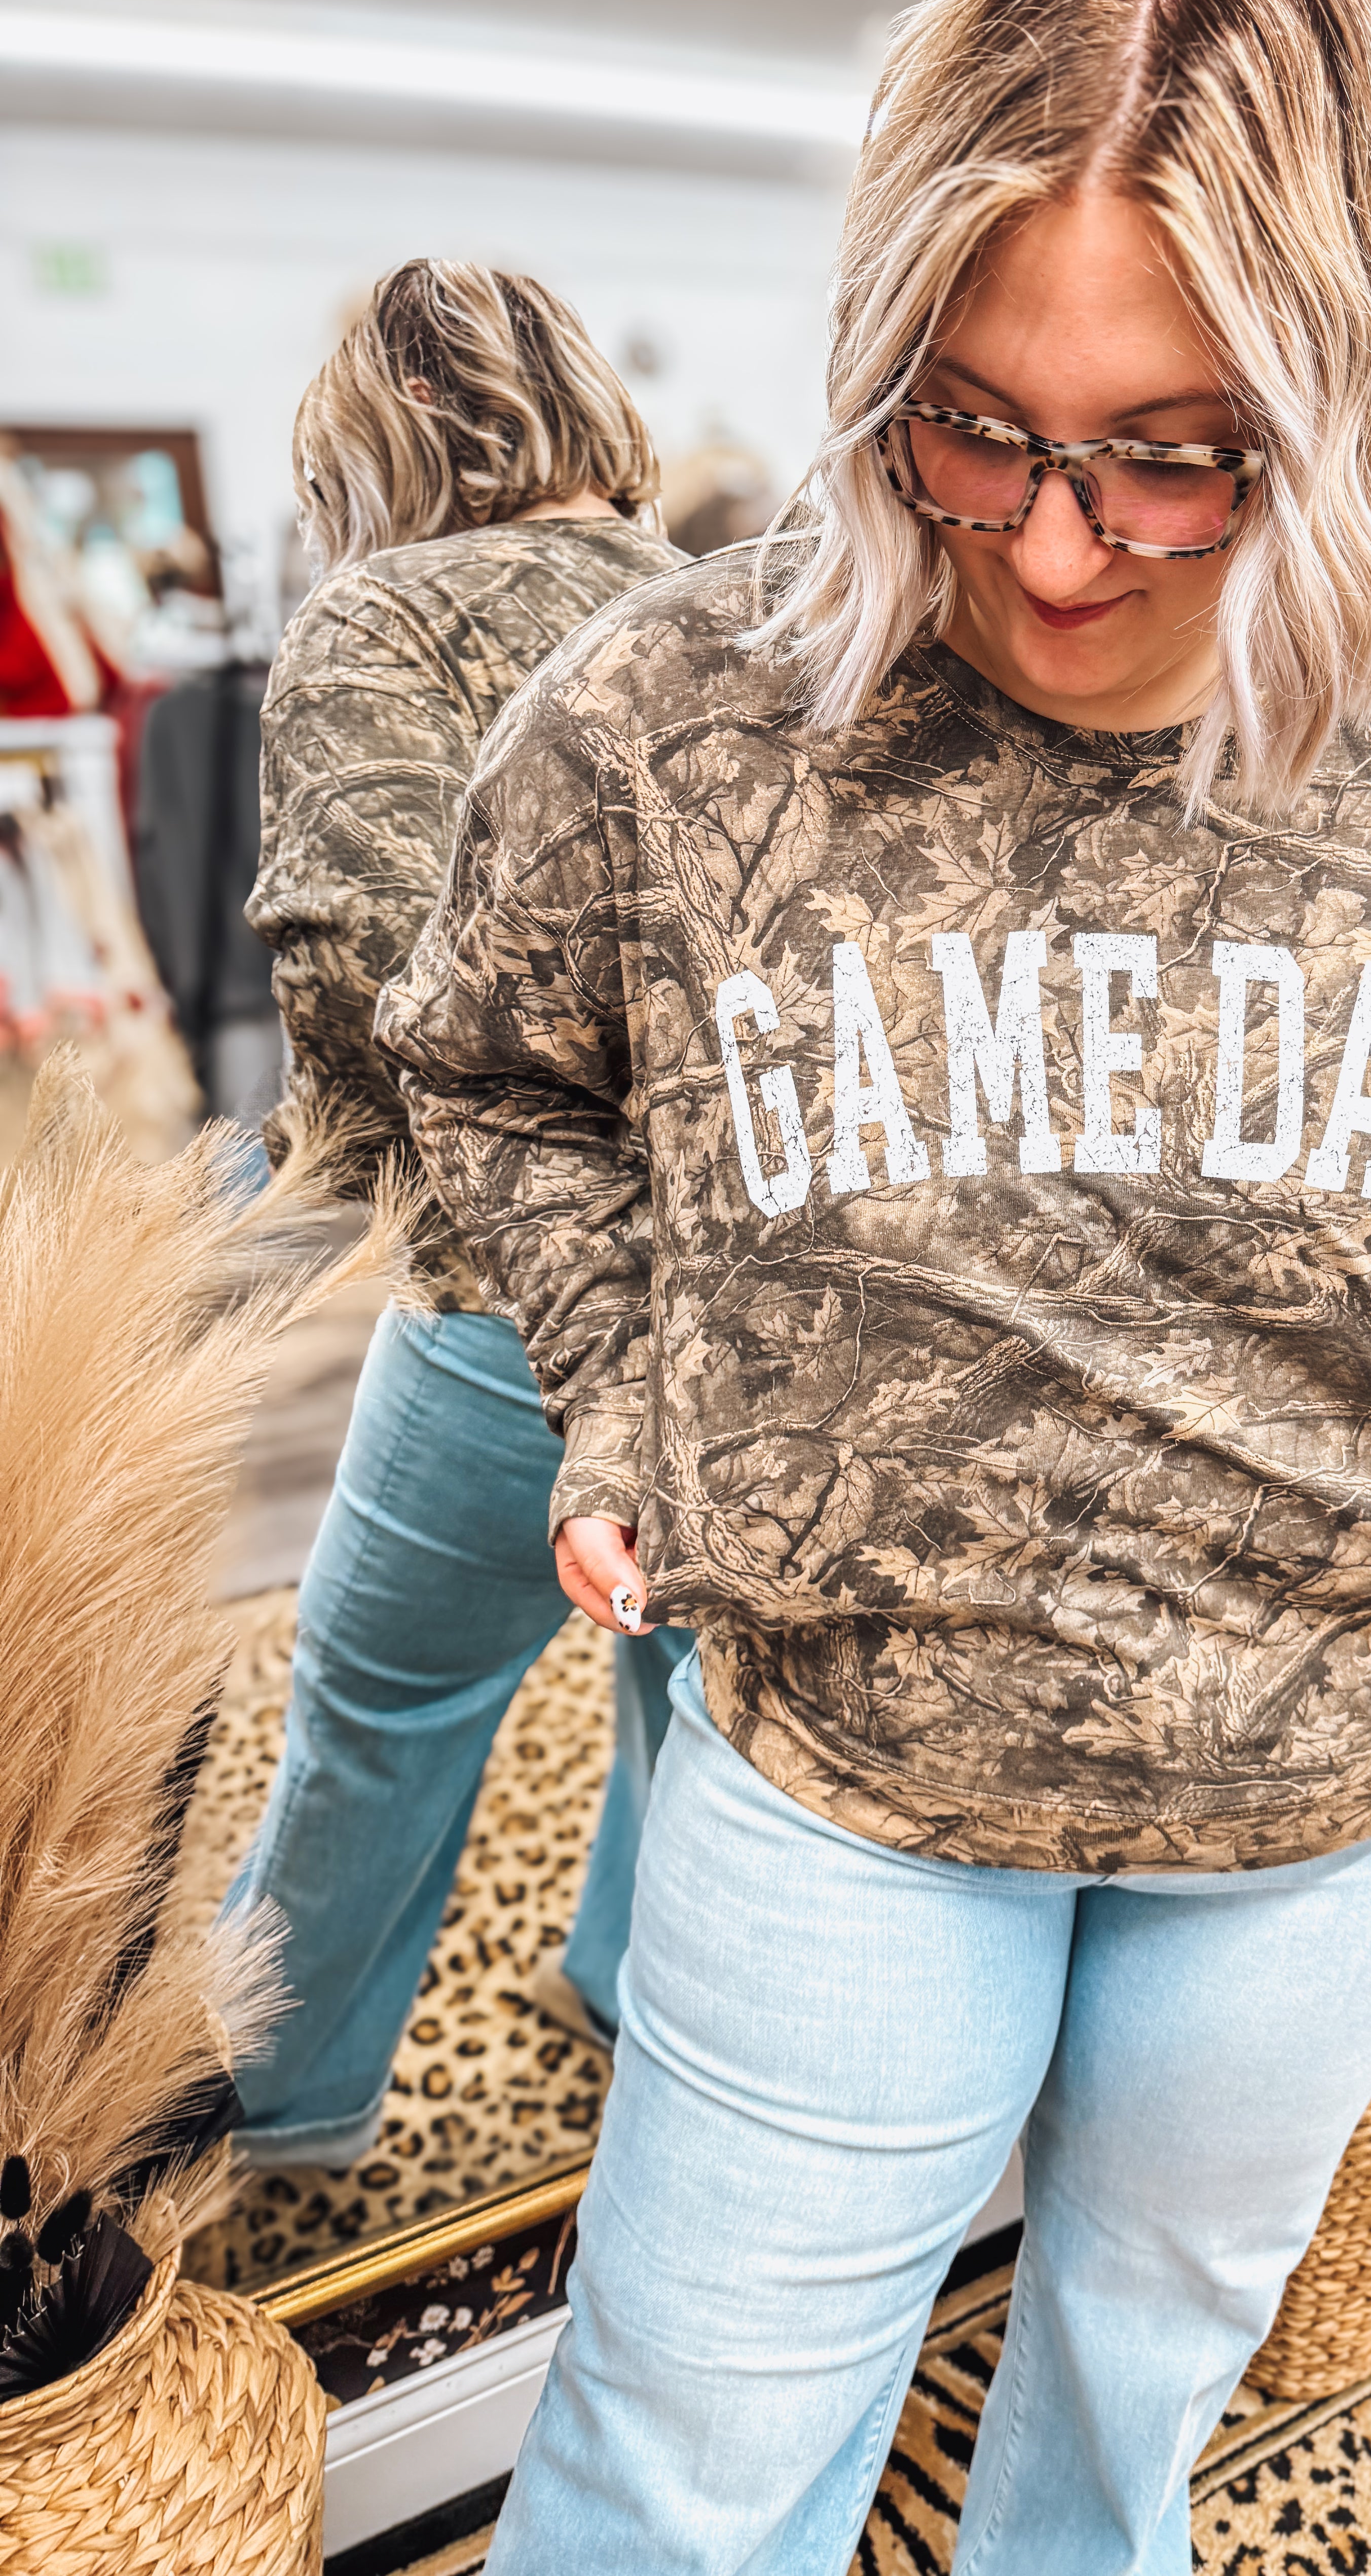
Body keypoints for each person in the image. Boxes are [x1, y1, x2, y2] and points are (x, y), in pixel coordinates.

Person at [380, 0, 1371, 2561]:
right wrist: (630, 1380)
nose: (1056, 544)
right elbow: (494, 1070)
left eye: (1176, 462)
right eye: (971, 426)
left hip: (1337, 1789)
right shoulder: (671, 726)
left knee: (1129, 2412)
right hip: (847, 1779)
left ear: (1339, 424)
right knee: (680, 2461)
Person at [222, 260, 690, 2170]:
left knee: (380, 1703)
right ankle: (626, 1978)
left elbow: (357, 970)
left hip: (516, 1308)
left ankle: (278, 2106)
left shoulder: (383, 617)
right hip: (753, 1307)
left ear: (373, 436)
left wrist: (325, 1156)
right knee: (684, 1695)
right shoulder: (728, 614)